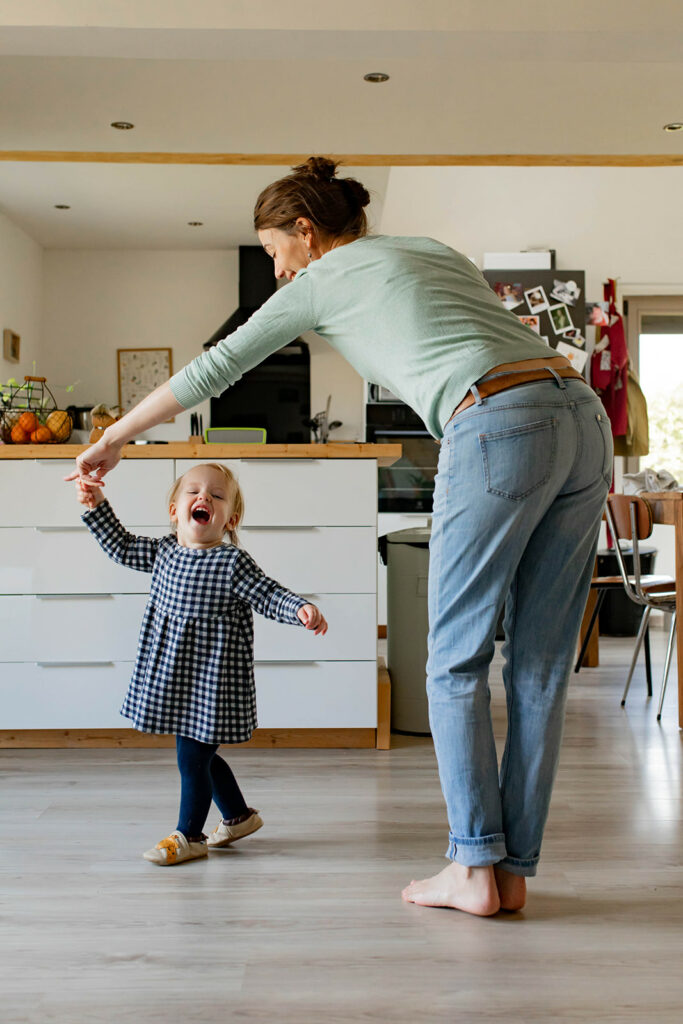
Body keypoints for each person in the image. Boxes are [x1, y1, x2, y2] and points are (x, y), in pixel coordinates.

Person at [66, 156, 611, 912]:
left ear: (305, 231)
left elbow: (213, 368)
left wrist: (114, 438)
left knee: (453, 659)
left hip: (495, 422)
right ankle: (508, 872)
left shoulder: (324, 277)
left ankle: (473, 867)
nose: (275, 268)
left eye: (272, 250)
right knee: (542, 666)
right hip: (581, 415)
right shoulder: (427, 249)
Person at [74, 461, 327, 866]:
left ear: (230, 520)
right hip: (174, 677)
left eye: (217, 495)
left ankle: (189, 836)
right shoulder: (162, 552)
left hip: (213, 682)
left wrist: (300, 608)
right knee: (199, 754)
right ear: (175, 511)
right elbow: (119, 545)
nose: (203, 497)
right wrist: (95, 503)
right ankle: (238, 816)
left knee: (191, 758)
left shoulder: (232, 564)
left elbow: (268, 593)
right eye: (192, 491)